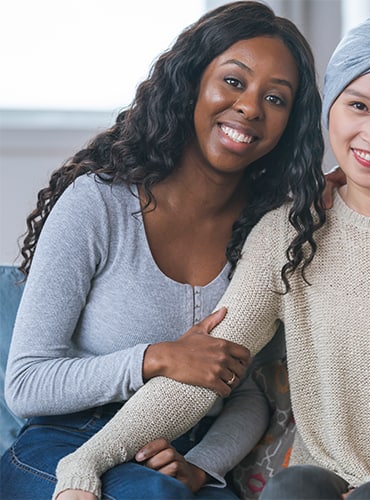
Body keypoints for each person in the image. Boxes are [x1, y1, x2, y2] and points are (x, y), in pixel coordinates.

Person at [51, 15, 370, 500]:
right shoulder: (288, 230)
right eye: (357, 106)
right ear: (330, 109)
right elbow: (210, 370)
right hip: (321, 480)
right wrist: (87, 460)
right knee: (291, 490)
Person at [0, 2, 325, 498]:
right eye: (234, 82)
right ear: (193, 81)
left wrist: (203, 466)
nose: (251, 108)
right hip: (63, 444)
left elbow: (247, 393)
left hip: (175, 457)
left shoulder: (269, 232)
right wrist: (155, 359)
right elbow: (26, 384)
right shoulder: (99, 203)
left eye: (276, 99)